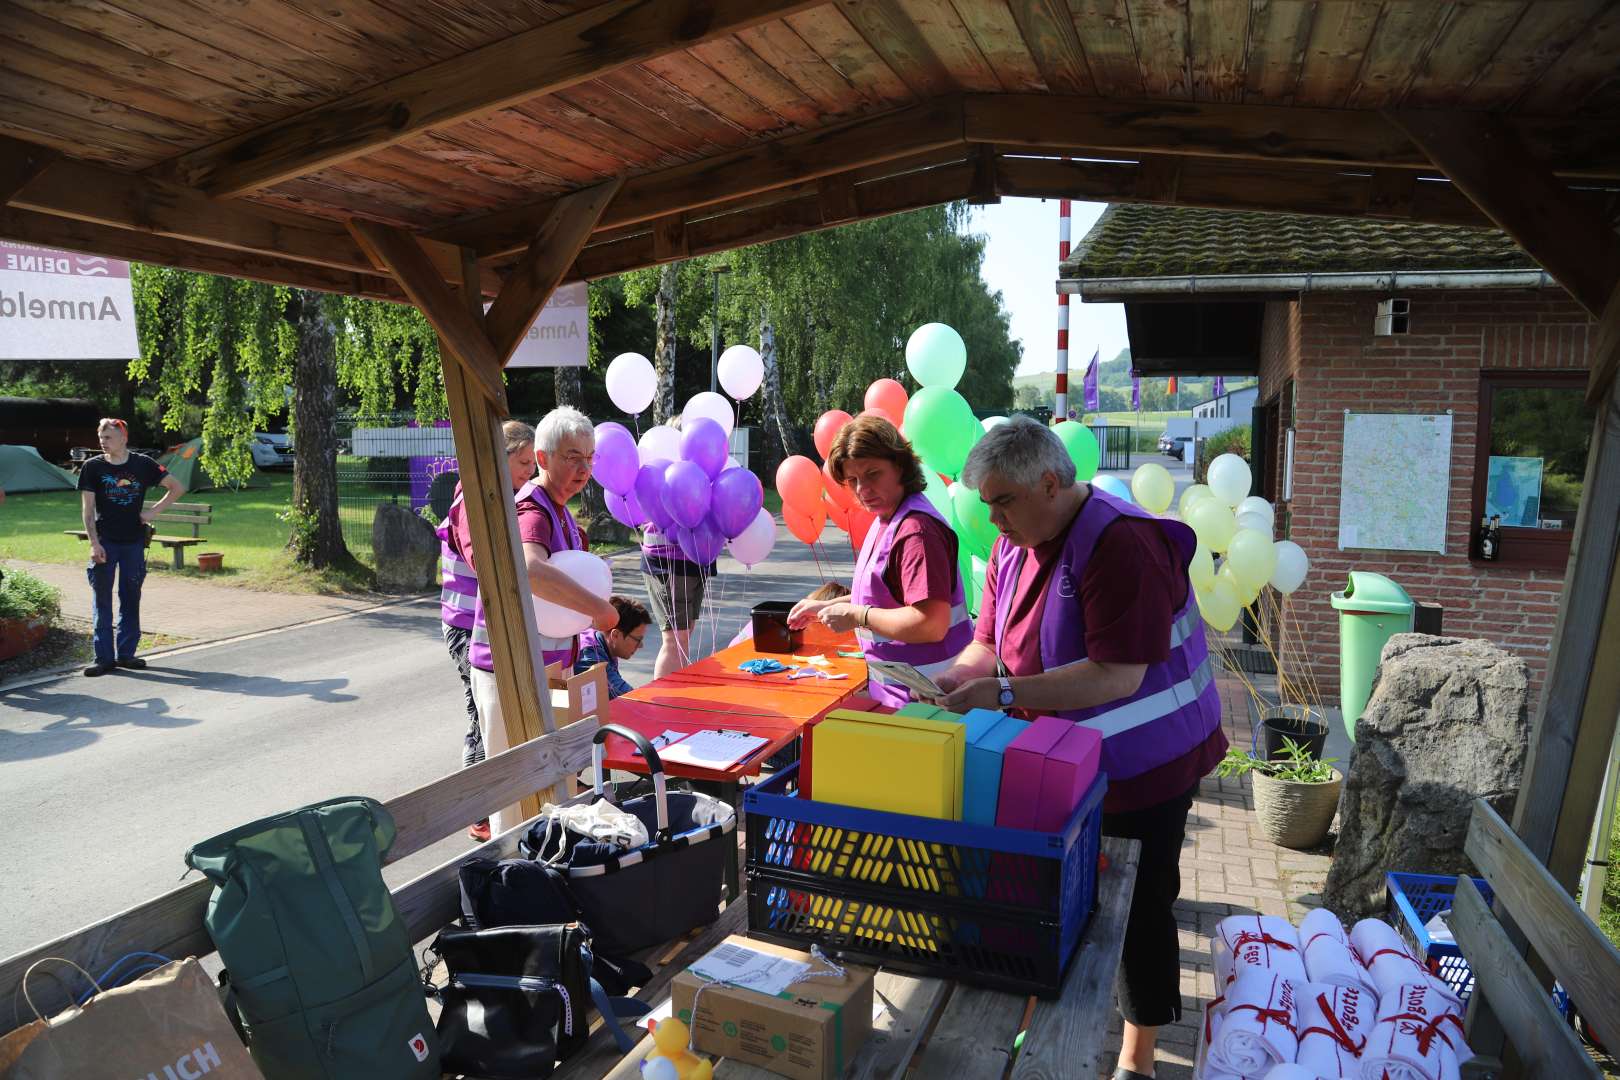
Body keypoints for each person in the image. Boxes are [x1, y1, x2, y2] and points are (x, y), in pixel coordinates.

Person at [929, 415, 1225, 1079]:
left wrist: (1000, 696)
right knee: (1059, 896)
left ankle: (1137, 1059)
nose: (992, 517)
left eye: (1003, 501)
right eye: (986, 503)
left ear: (1051, 483)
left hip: (1149, 765)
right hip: (1066, 761)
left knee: (1139, 906)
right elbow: (987, 643)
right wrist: (954, 678)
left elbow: (1117, 675)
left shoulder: (1122, 546)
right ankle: (1049, 1021)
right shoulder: (1013, 542)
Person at [465, 406, 618, 836]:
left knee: (545, 789)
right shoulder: (533, 509)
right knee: (513, 797)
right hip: (510, 669)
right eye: (573, 457)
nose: (584, 469)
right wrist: (600, 611)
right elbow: (531, 570)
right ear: (543, 459)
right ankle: (509, 884)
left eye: (590, 458)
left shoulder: (560, 509)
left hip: (540, 668)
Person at [790, 414, 973, 707]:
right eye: (853, 480)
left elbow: (930, 624)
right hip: (906, 698)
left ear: (900, 466)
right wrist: (828, 605)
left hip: (928, 705)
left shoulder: (916, 532)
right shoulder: (890, 517)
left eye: (873, 473)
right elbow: (886, 595)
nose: (862, 489)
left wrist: (857, 616)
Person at [438, 420, 535, 839]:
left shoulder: (508, 499)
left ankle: (481, 803)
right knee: (482, 711)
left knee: (486, 711)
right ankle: (476, 808)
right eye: (523, 461)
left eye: (533, 463)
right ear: (500, 456)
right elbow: (485, 565)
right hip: (466, 626)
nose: (530, 471)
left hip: (481, 621)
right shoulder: (471, 504)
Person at [76, 418, 185, 677]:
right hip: (105, 543)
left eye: (108, 437)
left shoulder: (143, 464)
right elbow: (88, 510)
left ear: (123, 438)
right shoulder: (92, 467)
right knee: (102, 600)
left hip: (134, 543)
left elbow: (177, 487)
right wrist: (94, 543)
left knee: (130, 597)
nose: (103, 442)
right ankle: (104, 659)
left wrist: (152, 513)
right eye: (101, 438)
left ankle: (126, 655)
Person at [642, 420, 715, 679]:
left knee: (684, 637)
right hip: (667, 561)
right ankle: (663, 703)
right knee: (675, 641)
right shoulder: (664, 474)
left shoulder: (702, 470)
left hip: (697, 557)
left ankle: (677, 696)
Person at [575, 594, 652, 698]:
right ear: (615, 635)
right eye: (638, 639)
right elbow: (627, 698)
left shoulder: (603, 642)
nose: (641, 646)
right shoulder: (592, 656)